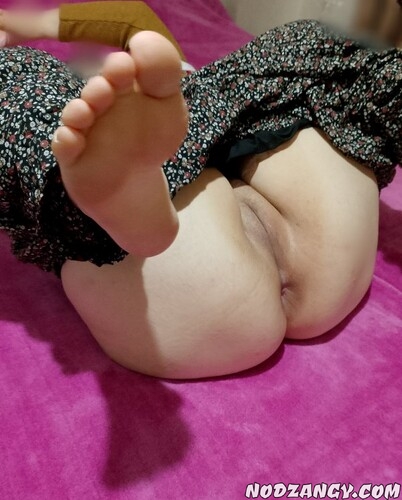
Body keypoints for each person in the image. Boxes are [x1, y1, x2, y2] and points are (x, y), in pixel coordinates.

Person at [0, 2, 400, 379]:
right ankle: (128, 202)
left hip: (190, 277)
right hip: (327, 247)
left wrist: (29, 24)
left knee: (21, 84)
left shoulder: (161, 73)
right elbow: (134, 18)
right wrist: (32, 26)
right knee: (318, 45)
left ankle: (126, 198)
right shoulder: (160, 80)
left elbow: (133, 19)